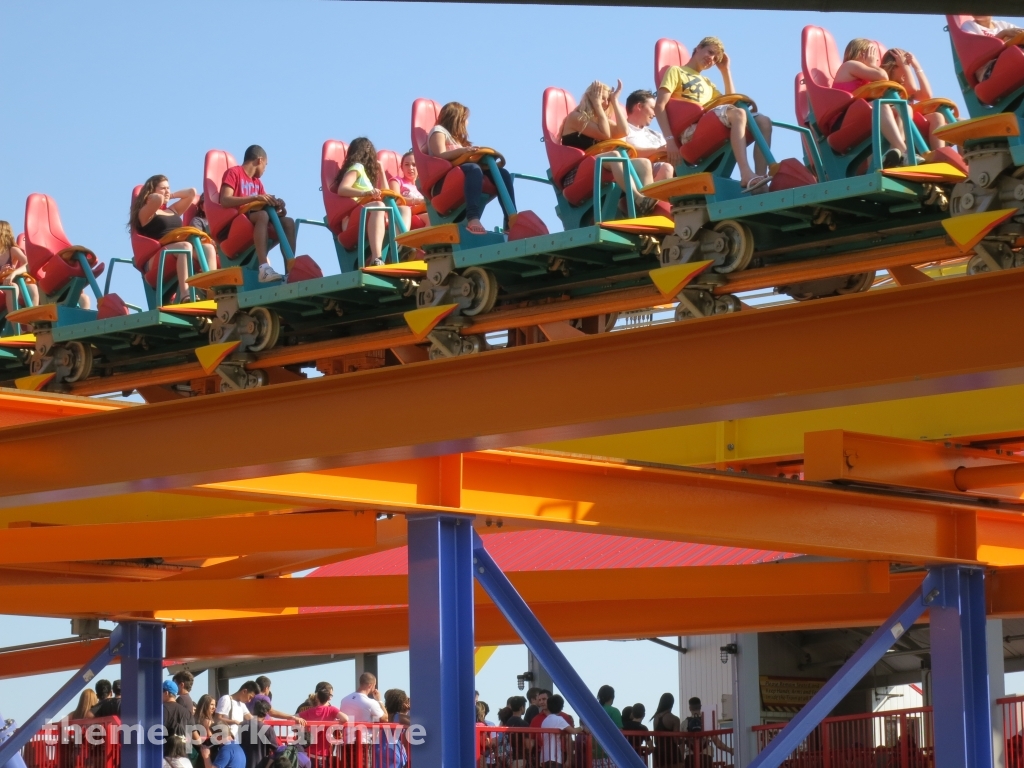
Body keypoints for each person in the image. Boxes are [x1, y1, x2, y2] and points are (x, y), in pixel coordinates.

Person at [655, 36, 774, 191]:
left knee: (763, 121)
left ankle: (760, 181)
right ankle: (745, 173)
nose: (711, 59)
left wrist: (725, 71)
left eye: (715, 58)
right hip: (690, 130)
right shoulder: (676, 71)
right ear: (698, 47)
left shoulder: (708, 83)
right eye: (710, 52)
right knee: (738, 114)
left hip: (709, 122)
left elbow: (731, 101)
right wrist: (670, 140)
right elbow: (659, 106)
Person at [561, 80, 658, 214]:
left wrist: (615, 101)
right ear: (591, 97)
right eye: (602, 98)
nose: (606, 103)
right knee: (615, 156)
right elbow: (605, 134)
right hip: (576, 174)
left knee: (644, 163)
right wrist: (596, 104)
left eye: (608, 100)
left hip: (597, 166)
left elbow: (624, 131)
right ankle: (637, 197)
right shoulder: (576, 117)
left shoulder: (604, 121)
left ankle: (647, 204)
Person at [426, 102, 516, 235]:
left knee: (502, 173)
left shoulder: (457, 140)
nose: (467, 123)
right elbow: (441, 155)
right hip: (442, 183)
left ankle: (511, 220)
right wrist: (464, 151)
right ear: (457, 118)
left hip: (460, 173)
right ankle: (472, 218)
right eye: (466, 119)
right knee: (473, 169)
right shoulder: (438, 131)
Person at [130, 175, 219, 302]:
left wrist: (170, 195)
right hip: (155, 258)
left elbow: (191, 193)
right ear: (151, 191)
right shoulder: (145, 213)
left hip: (177, 249)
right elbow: (156, 199)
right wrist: (154, 196)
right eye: (163, 188)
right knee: (185, 247)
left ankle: (211, 289)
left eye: (168, 188)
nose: (167, 191)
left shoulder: (173, 210)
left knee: (208, 248)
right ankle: (185, 294)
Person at [219, 145, 296, 283]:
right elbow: (224, 200)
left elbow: (262, 204)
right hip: (237, 220)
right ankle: (264, 268)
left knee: (288, 222)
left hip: (255, 217)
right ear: (259, 160)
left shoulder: (257, 182)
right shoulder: (234, 172)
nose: (265, 169)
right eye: (266, 165)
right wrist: (255, 198)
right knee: (262, 216)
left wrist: (277, 205)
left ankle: (291, 272)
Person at [333, 137, 412, 266]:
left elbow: (387, 195)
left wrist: (381, 172)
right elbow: (342, 189)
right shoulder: (357, 167)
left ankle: (399, 248)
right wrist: (366, 193)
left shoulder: (366, 178)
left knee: (404, 209)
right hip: (352, 217)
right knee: (378, 206)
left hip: (368, 213)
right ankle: (377, 257)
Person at [832, 39, 909, 167]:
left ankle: (894, 153)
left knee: (900, 108)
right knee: (880, 105)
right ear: (861, 53)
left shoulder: (864, 75)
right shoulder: (850, 65)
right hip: (843, 120)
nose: (875, 60)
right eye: (871, 54)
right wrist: (872, 64)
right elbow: (883, 77)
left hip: (860, 115)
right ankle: (904, 150)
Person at [880, 48, 946, 150]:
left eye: (908, 66)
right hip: (895, 119)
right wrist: (905, 65)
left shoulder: (906, 87)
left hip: (910, 121)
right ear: (893, 68)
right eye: (903, 65)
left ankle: (939, 154)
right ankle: (898, 150)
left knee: (938, 117)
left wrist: (917, 66)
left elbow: (926, 95)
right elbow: (912, 88)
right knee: (906, 108)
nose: (907, 69)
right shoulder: (888, 85)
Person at [625, 90, 674, 182]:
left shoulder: (656, 134)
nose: (655, 114)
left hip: (667, 167)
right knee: (667, 168)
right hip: (636, 174)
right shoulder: (623, 130)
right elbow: (627, 153)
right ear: (639, 106)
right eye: (652, 108)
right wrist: (658, 150)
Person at [0, 221, 38, 308]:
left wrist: (13, 273)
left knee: (32, 287)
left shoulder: (12, 250)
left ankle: (31, 318)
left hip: (10, 280)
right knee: (12, 288)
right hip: (3, 284)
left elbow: (28, 264)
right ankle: (15, 320)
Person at [540, 695, 581, 768]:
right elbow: (573, 731)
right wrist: (583, 728)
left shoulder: (545, 721)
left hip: (544, 757)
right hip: (554, 758)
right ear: (561, 707)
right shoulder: (559, 719)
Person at [239, 696, 280, 768]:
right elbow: (276, 751)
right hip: (261, 764)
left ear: (254, 711)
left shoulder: (242, 725)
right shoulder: (268, 729)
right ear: (266, 713)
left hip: (243, 764)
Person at [163, 679, 195, 768]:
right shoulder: (186, 712)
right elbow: (193, 735)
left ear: (166, 693)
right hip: (183, 756)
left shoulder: (160, 710)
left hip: (164, 756)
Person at [592, 685, 623, 768]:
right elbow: (620, 733)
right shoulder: (614, 711)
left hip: (594, 755)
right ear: (612, 697)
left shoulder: (593, 711)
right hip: (611, 755)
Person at [651, 693, 681, 768]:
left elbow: (655, 740)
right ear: (672, 703)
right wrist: (685, 740)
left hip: (659, 752)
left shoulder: (655, 718)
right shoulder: (674, 719)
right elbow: (675, 740)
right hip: (672, 752)